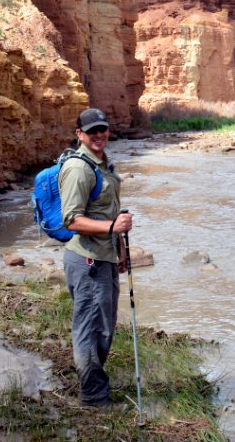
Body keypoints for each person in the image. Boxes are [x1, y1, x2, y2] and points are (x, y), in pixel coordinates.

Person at [59, 107, 132, 408]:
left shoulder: (103, 164)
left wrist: (121, 250)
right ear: (80, 135)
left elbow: (111, 211)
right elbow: (71, 220)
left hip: (104, 257)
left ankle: (93, 382)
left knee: (103, 325)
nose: (99, 135)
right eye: (92, 131)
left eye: (102, 129)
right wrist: (112, 227)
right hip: (87, 261)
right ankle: (93, 398)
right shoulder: (78, 169)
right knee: (91, 328)